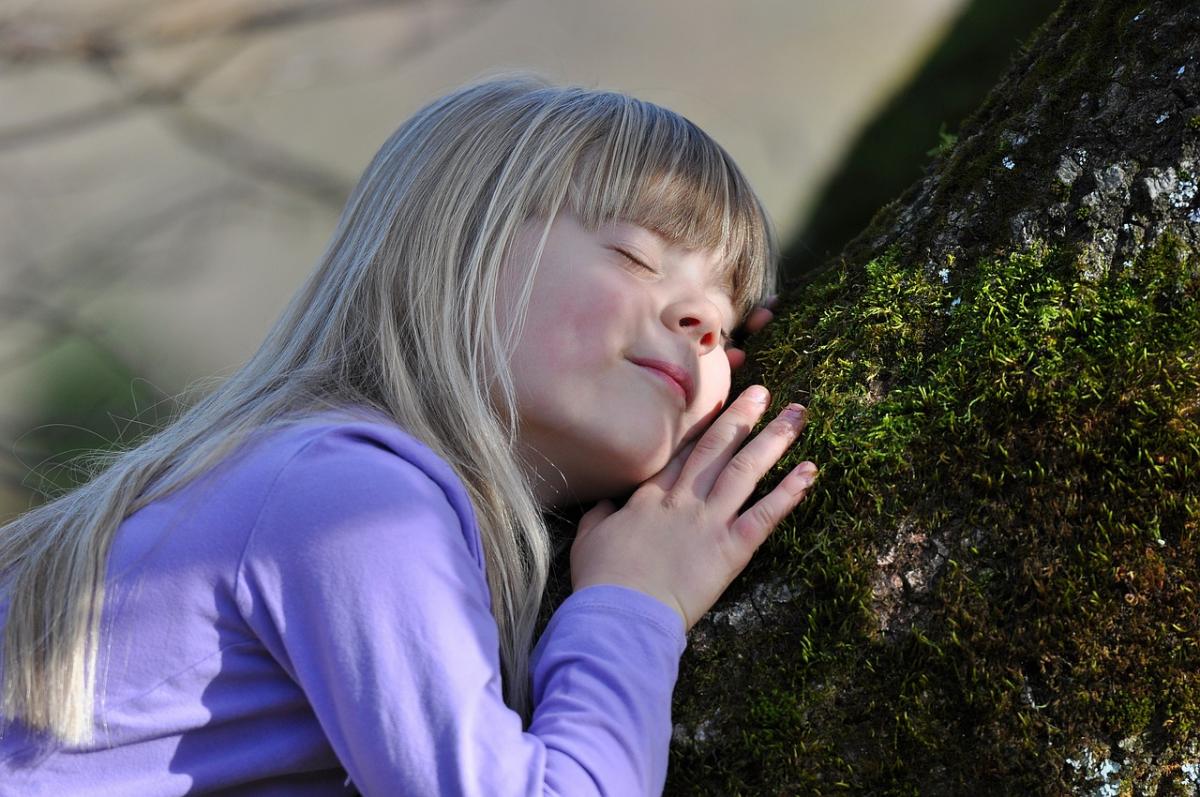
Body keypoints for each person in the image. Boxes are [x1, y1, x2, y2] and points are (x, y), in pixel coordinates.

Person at [0, 73, 818, 795]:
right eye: (639, 256)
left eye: (726, 320)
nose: (702, 320)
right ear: (460, 251)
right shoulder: (352, 497)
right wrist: (637, 600)